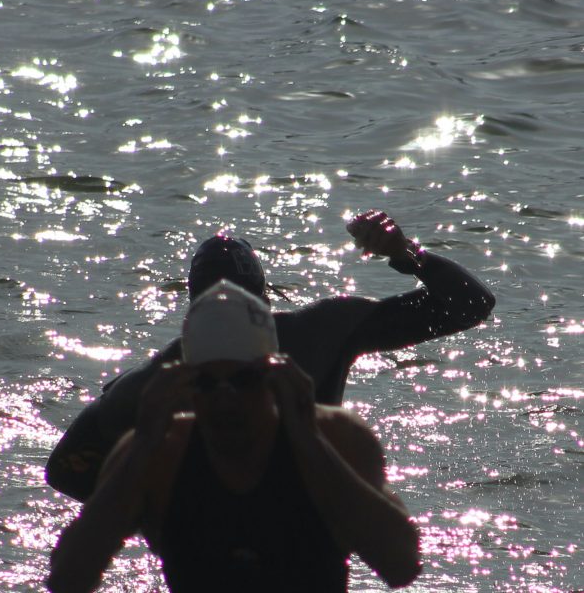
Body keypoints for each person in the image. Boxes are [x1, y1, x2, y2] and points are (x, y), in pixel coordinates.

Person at [46, 210, 496, 502]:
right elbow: (64, 473)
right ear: (266, 297)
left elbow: (67, 472)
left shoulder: (153, 383)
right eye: (211, 381)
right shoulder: (320, 335)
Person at [47, 281, 422, 592]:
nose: (226, 399)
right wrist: (143, 443)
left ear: (273, 376)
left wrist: (308, 441)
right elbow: (67, 580)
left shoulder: (337, 438)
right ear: (187, 386)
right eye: (207, 383)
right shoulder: (158, 454)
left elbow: (402, 566)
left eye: (244, 380)